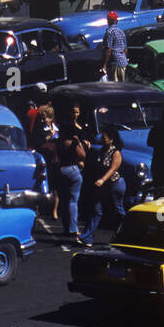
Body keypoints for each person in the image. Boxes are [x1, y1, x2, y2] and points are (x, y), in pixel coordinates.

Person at [77, 124, 125, 245]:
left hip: (114, 184)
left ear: (111, 138)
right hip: (103, 185)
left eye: (104, 138)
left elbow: (113, 169)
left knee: (118, 211)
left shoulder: (116, 152)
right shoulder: (103, 150)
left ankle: (125, 233)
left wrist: (102, 180)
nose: (102, 140)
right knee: (96, 209)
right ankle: (87, 237)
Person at [54, 103, 88, 240]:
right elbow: (82, 156)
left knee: (64, 199)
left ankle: (66, 227)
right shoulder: (73, 142)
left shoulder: (59, 141)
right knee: (73, 200)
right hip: (72, 169)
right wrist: (79, 143)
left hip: (60, 169)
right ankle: (73, 229)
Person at [31, 102, 60, 222]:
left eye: (45, 118)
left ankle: (55, 210)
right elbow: (36, 142)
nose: (43, 120)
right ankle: (41, 209)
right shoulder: (39, 130)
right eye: (41, 118)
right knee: (43, 186)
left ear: (51, 118)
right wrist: (48, 137)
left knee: (56, 187)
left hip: (56, 161)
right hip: (45, 162)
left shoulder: (57, 128)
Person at [102, 11, 128, 82]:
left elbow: (109, 49)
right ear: (116, 20)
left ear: (108, 21)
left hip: (115, 64)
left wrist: (105, 64)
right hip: (123, 63)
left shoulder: (109, 32)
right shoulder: (121, 32)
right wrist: (124, 59)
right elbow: (125, 49)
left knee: (116, 87)